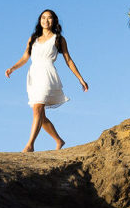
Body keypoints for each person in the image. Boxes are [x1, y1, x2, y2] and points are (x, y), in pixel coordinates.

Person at [5, 9, 88, 151]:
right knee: (39, 115)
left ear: (54, 21)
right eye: (43, 18)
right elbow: (25, 57)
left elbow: (68, 60)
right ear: (40, 20)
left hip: (47, 75)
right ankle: (59, 140)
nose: (46, 20)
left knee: (38, 109)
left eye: (49, 18)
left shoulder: (59, 39)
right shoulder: (33, 38)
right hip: (33, 76)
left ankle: (30, 145)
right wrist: (13, 68)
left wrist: (80, 79)